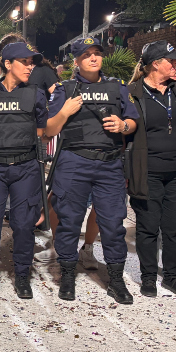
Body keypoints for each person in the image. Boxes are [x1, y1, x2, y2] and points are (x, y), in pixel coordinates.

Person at [46, 37, 138, 304]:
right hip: (74, 161)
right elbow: (49, 130)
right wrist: (64, 111)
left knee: (112, 223)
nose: (94, 58)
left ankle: (116, 279)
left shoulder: (117, 87)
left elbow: (133, 122)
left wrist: (123, 125)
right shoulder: (65, 89)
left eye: (97, 53)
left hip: (109, 163)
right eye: (87, 55)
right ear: (76, 61)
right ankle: (67, 274)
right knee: (69, 221)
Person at [0, 42, 49, 306]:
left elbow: (40, 131)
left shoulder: (36, 95)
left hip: (25, 168)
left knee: (24, 226)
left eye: (32, 62)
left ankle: (23, 277)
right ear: (7, 64)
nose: (30, 66)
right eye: (25, 62)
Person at [126, 40, 176, 298]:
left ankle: (173, 276)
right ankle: (148, 276)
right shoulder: (133, 92)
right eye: (171, 61)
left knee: (174, 226)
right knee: (148, 226)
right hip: (147, 170)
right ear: (156, 64)